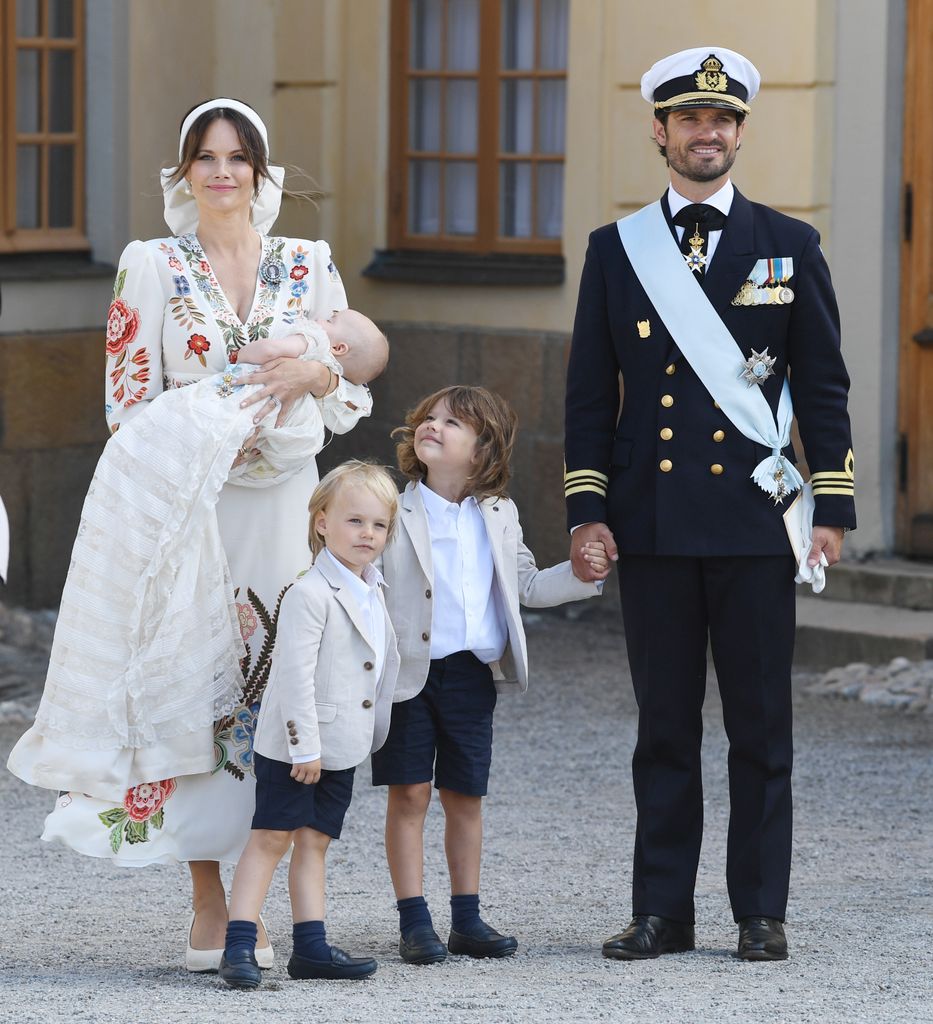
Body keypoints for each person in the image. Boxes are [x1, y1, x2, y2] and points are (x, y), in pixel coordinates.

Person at [6, 98, 375, 972]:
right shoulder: (151, 265)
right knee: (201, 689)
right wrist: (209, 425)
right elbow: (125, 405)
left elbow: (350, 383)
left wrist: (318, 366)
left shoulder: (308, 264)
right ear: (183, 173)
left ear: (260, 169)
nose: (221, 171)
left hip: (286, 505)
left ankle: (291, 905)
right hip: (194, 506)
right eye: (203, 157)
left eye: (236, 156)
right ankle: (212, 902)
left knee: (288, 688)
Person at [564, 48, 856, 962]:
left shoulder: (788, 243)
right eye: (690, 119)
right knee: (662, 732)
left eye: (722, 121)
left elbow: (821, 384)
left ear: (738, 133)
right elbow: (586, 395)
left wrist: (832, 506)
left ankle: (758, 912)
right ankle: (662, 911)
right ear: (660, 131)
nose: (707, 133)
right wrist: (587, 509)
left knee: (762, 729)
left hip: (754, 527)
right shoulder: (617, 252)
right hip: (651, 525)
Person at [372, 385, 605, 964]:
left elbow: (524, 584)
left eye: (454, 423)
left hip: (472, 676)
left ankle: (467, 918)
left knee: (466, 796)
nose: (434, 426)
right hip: (409, 675)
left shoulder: (499, 514)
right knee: (409, 795)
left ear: (483, 450)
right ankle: (414, 920)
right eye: (430, 417)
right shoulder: (390, 508)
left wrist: (579, 574)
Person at [219, 461, 400, 990]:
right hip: (297, 747)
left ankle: (311, 947)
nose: (367, 534)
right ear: (321, 522)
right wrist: (303, 748)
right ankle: (238, 945)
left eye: (379, 525)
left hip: (339, 744)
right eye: (354, 521)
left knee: (315, 841)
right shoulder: (309, 593)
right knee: (271, 837)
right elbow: (293, 677)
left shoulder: (373, 588)